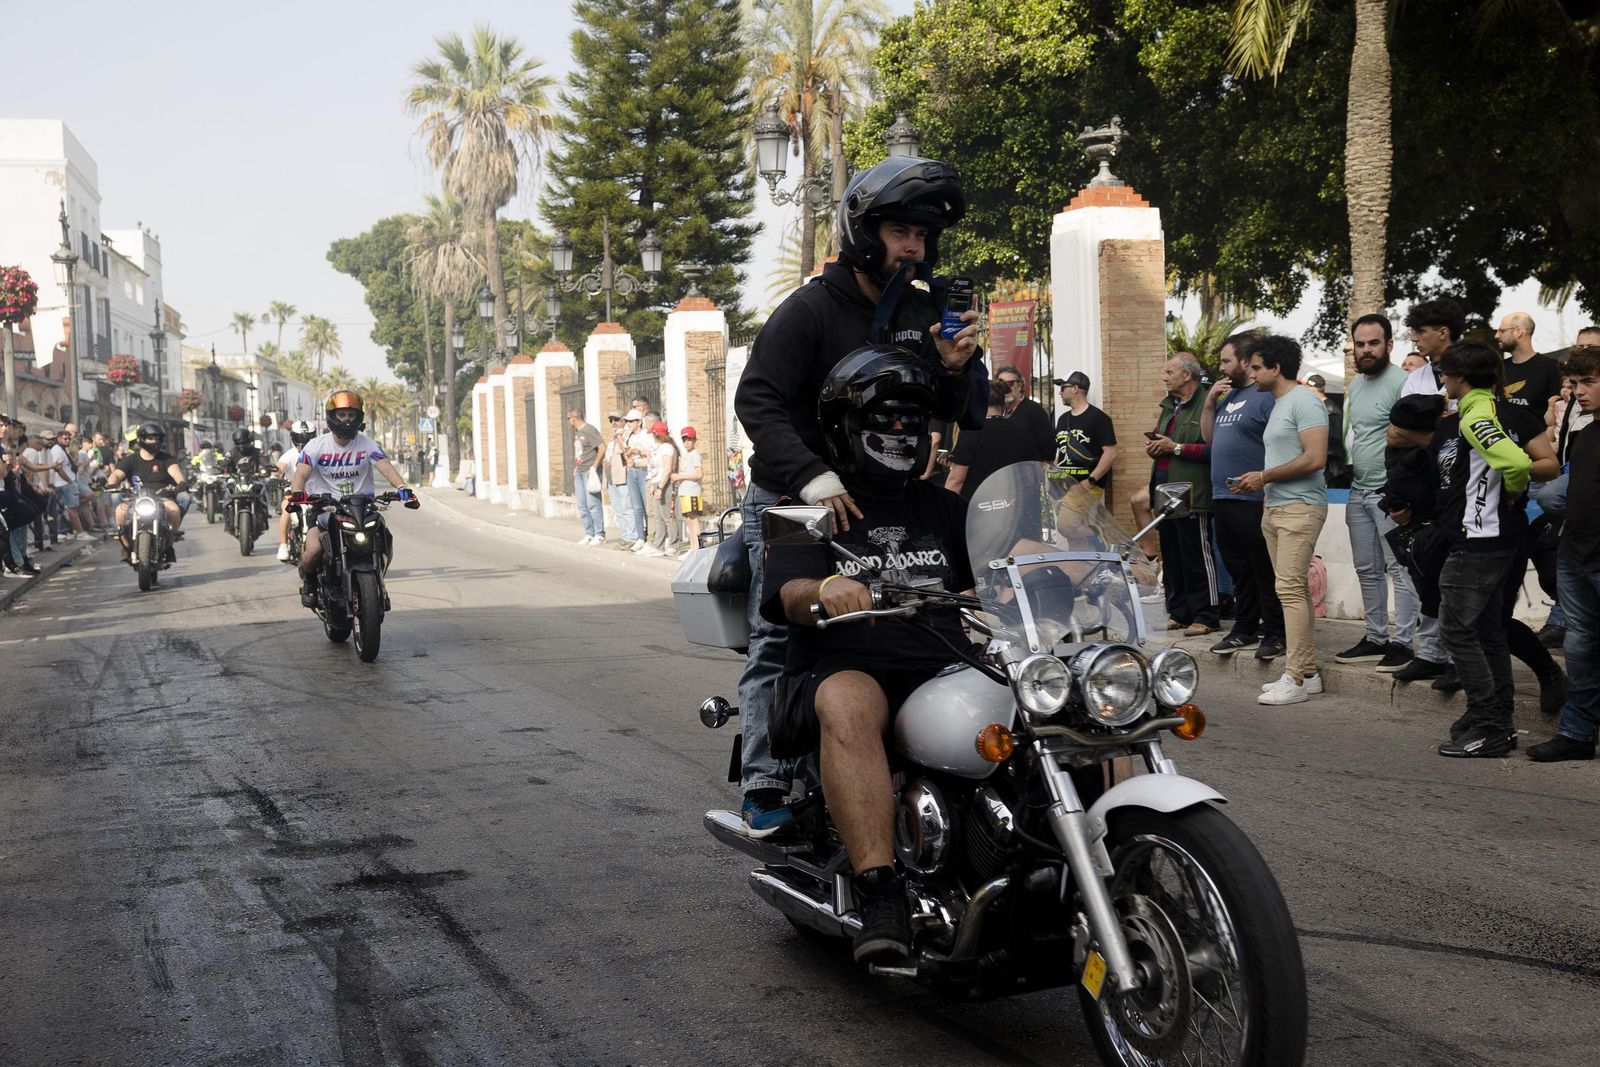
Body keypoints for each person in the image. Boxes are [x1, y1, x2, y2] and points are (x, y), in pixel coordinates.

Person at [732, 154, 983, 836]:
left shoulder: (925, 308)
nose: (914, 246)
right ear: (862, 230)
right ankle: (763, 780)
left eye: (923, 235)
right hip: (799, 494)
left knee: (919, 624)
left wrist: (958, 369)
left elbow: (960, 407)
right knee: (779, 634)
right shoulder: (811, 309)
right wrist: (813, 474)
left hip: (888, 496)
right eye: (902, 230)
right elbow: (755, 398)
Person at [761, 346, 972, 965]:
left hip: (945, 665)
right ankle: (880, 890)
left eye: (914, 421)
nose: (903, 433)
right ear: (846, 429)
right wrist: (823, 588)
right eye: (887, 420)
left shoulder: (944, 506)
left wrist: (1060, 562)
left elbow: (1008, 551)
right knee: (850, 700)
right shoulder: (804, 509)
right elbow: (788, 593)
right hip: (847, 667)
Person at [1425, 342, 1536, 757]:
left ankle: (1489, 723)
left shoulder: (1475, 414)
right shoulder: (1489, 408)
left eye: (1445, 374)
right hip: (1494, 539)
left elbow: (1519, 464)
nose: (1442, 381)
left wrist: (1510, 495)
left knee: (1456, 630)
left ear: (1459, 378)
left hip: (1479, 540)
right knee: (1488, 631)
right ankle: (1494, 719)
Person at [1232, 336, 1329, 705]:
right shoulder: (1280, 403)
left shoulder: (1304, 401)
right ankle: (1307, 673)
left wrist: (1264, 477)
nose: (1250, 373)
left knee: (1288, 589)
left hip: (1300, 507)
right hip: (1277, 508)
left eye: (1256, 367)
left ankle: (1294, 677)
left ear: (1276, 368)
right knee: (1293, 590)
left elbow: (1315, 457)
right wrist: (1261, 485)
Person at [1336, 314, 1427, 673]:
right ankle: (1375, 637)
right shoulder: (1356, 386)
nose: (1366, 350)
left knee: (1399, 568)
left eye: (1374, 343)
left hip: (1391, 492)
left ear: (1389, 345)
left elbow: (1418, 441)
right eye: (1360, 344)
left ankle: (1402, 642)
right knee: (1366, 569)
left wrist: (1403, 493)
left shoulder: (1404, 383)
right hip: (1358, 491)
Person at [1528, 344, 1600, 761]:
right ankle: (1577, 734)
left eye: (1589, 382)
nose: (1579, 392)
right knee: (1579, 648)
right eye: (1575, 384)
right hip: (1575, 555)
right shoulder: (1587, 433)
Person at [289, 390, 417, 607]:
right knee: (313, 549)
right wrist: (297, 494)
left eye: (350, 414)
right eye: (341, 415)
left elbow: (386, 467)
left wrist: (403, 488)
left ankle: (377, 581)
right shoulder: (316, 446)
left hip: (362, 506)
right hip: (326, 507)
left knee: (385, 540)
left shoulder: (368, 444)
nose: (346, 419)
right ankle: (310, 581)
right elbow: (301, 473)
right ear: (332, 416)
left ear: (358, 417)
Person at [1201, 331, 1285, 659]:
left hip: (1253, 498)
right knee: (1238, 567)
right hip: (1223, 495)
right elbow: (1209, 439)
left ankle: (1276, 631)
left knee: (1262, 567)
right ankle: (1244, 627)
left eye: (1226, 361)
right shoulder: (1227, 397)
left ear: (1245, 362)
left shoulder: (1264, 395)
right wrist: (1210, 402)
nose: (1221, 368)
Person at [1147, 354, 1220, 636]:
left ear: (1187, 375)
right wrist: (1155, 447)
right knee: (1173, 556)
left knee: (1196, 556)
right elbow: (1163, 441)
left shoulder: (1207, 404)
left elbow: (1212, 449)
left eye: (1169, 371)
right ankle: (1178, 611)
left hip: (1193, 493)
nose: (1164, 377)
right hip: (1165, 493)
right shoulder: (1168, 406)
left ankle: (1206, 614)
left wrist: (1174, 447)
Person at [945, 372, 1052, 496]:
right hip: (1013, 503)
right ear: (1003, 404)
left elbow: (956, 480)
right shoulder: (1022, 433)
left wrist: (946, 509)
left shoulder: (971, 433)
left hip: (977, 505)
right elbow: (1032, 474)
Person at [102, 422, 187, 561]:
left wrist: (181, 483)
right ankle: (125, 543)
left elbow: (175, 471)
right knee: (120, 511)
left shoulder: (166, 458)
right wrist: (111, 483)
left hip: (162, 498)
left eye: (157, 438)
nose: (155, 441)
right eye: (151, 438)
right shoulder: (131, 459)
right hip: (135, 498)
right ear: (142, 439)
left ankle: (170, 542)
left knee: (174, 510)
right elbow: (117, 474)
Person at [1494, 312, 1563, 439]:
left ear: (1519, 332)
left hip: (1537, 449)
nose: (1496, 335)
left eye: (1501, 331)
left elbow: (1557, 414)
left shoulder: (1551, 367)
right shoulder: (1497, 369)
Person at [1051, 370, 1118, 496]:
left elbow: (1111, 453)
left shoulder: (1098, 418)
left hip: (1085, 487)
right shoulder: (1063, 419)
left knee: (1067, 516)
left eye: (1063, 388)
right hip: (1063, 487)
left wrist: (1091, 481)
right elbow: (1059, 453)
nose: (1060, 392)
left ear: (1075, 388)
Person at [1399, 297, 1466, 403]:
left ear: (1443, 333)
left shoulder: (1473, 372)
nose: (1413, 338)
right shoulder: (1414, 378)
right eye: (1413, 331)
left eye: (1420, 331)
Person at [276, 420, 317, 562]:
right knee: (286, 509)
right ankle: (283, 545)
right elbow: (280, 467)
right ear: (294, 437)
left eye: (307, 437)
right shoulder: (290, 454)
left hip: (315, 494)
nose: (303, 441)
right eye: (300, 438)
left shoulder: (319, 452)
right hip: (294, 494)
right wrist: (275, 473)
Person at [566, 409, 606, 546]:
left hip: (590, 472)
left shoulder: (589, 430)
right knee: (582, 505)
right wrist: (577, 466)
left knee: (593, 504)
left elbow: (602, 447)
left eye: (568, 419)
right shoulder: (578, 433)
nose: (568, 422)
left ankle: (599, 534)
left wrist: (594, 466)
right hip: (580, 472)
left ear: (574, 419)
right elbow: (581, 452)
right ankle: (589, 533)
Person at [641, 420, 679, 558]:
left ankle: (674, 545)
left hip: (666, 483)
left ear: (657, 434)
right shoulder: (660, 447)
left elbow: (667, 469)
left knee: (668, 516)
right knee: (659, 517)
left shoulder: (667, 448)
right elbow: (656, 468)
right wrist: (653, 485)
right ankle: (659, 545)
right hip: (658, 481)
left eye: (653, 433)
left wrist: (661, 488)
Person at [603, 412, 641, 549]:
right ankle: (625, 536)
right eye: (611, 420)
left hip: (623, 477)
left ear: (623, 421)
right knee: (618, 509)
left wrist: (619, 435)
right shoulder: (613, 438)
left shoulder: (625, 435)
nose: (613, 423)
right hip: (612, 477)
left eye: (616, 420)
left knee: (627, 507)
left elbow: (626, 450)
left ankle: (632, 537)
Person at [670, 425, 704, 548]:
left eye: (689, 439)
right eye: (684, 440)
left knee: (693, 519)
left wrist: (680, 476)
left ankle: (697, 547)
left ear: (694, 440)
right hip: (685, 491)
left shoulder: (695, 454)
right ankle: (692, 546)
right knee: (687, 520)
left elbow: (699, 474)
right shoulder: (686, 454)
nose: (686, 442)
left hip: (692, 491)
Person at [624, 409, 653, 549]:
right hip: (632, 471)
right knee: (636, 507)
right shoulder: (629, 436)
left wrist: (638, 452)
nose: (628, 423)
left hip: (643, 471)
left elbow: (650, 456)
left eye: (631, 421)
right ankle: (640, 537)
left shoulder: (647, 436)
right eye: (627, 421)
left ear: (639, 422)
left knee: (647, 506)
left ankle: (650, 537)